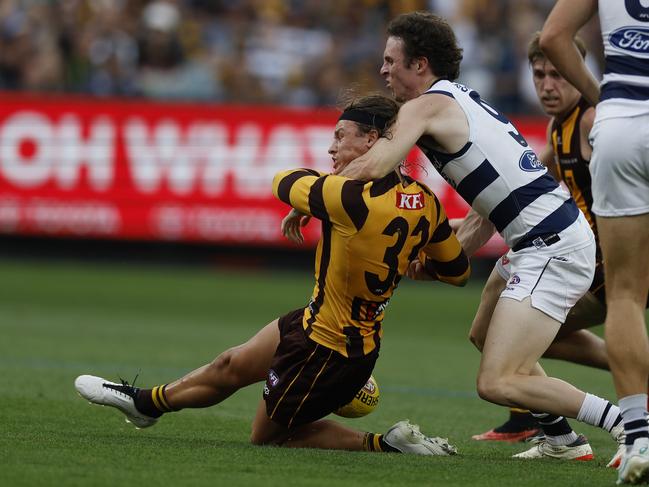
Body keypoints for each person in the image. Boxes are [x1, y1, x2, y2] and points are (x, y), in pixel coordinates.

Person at [74, 93, 469, 456]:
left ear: (372, 140)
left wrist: (318, 197)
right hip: (320, 324)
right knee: (231, 365)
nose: (331, 147)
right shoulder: (428, 203)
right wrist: (420, 268)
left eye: (340, 136)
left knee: (267, 437)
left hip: (330, 353)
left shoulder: (347, 198)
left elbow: (282, 182)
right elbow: (457, 271)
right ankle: (144, 404)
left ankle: (387, 444)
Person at [336, 11, 625, 461]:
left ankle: (630, 425)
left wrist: (313, 190)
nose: (383, 69)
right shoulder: (456, 101)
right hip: (541, 238)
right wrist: (442, 261)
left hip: (552, 245)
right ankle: (563, 442)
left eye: (391, 60)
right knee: (485, 335)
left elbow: (374, 166)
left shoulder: (426, 106)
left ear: (420, 64)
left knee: (496, 382)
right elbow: (482, 218)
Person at [470, 31, 617, 444]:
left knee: (501, 337)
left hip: (611, 269)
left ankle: (551, 428)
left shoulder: (591, 122)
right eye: (539, 75)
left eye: (558, 74)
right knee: (502, 334)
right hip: (595, 265)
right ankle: (539, 421)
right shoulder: (559, 126)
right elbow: (524, 184)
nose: (548, 85)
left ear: (577, 73)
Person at [541, 1, 649, 483]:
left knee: (626, 294)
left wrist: (602, 98)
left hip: (622, 122)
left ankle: (640, 439)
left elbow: (553, 36)